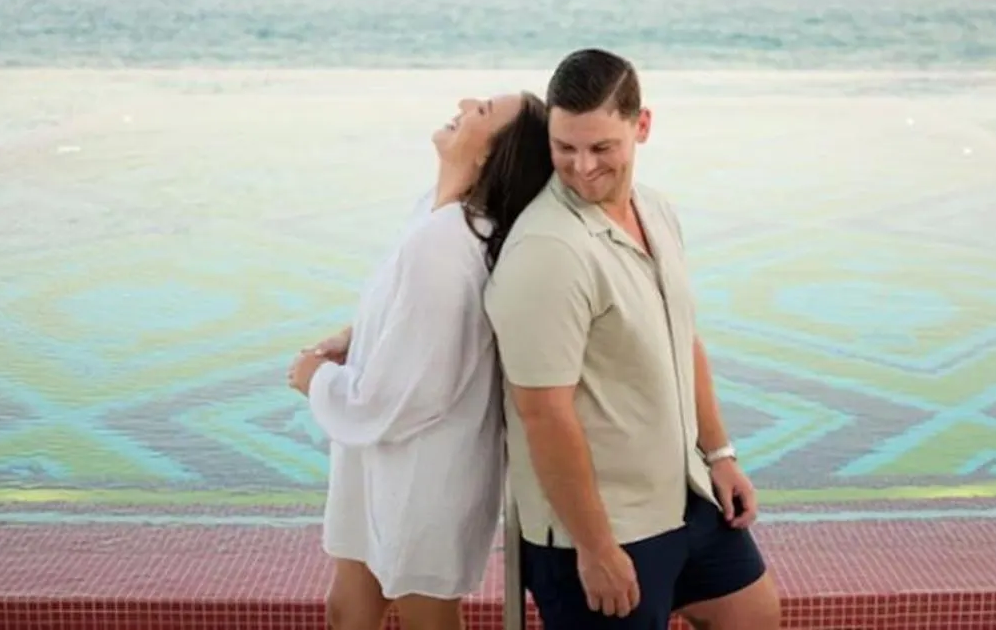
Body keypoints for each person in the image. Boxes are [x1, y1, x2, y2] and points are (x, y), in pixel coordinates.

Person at [485, 51, 781, 630]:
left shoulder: (657, 211)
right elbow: (543, 414)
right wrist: (596, 548)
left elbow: (683, 338)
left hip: (685, 497)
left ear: (642, 125)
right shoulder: (549, 251)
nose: (581, 167)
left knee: (754, 615)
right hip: (601, 527)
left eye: (601, 147)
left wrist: (719, 456)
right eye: (564, 147)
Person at [290, 90, 554, 630]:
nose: (465, 102)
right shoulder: (435, 215)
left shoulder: (445, 242)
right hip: (383, 461)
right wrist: (356, 336)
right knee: (348, 610)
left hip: (423, 473)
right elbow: (419, 319)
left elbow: (409, 393)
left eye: (483, 111)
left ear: (491, 154)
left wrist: (316, 381)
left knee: (426, 619)